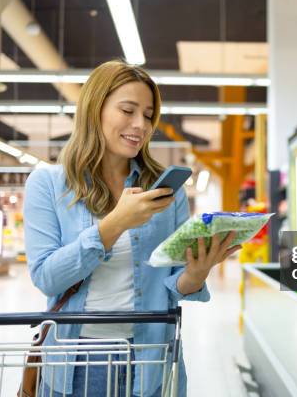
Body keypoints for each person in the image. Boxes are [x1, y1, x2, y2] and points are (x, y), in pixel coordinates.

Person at [23, 60, 241, 396]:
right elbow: (47, 278)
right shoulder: (48, 184)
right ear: (95, 109)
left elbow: (174, 285)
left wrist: (197, 273)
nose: (140, 125)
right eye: (128, 110)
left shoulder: (166, 190)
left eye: (149, 114)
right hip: (76, 361)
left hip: (150, 358)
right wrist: (115, 223)